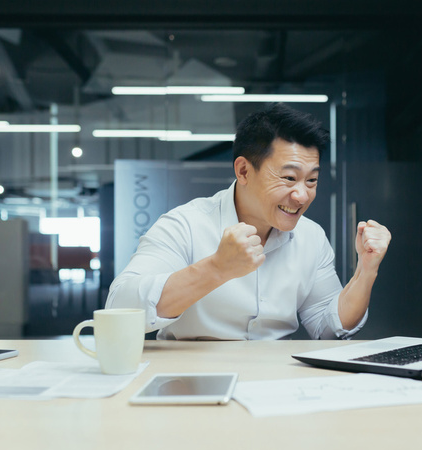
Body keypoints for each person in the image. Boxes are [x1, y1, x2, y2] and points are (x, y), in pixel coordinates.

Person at [106, 103, 391, 340]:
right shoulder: (185, 225)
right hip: (191, 383)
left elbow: (328, 328)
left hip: (276, 386)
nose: (302, 195)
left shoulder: (311, 237)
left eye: (312, 180)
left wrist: (365, 272)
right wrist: (216, 268)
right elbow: (120, 307)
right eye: (289, 178)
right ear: (243, 171)